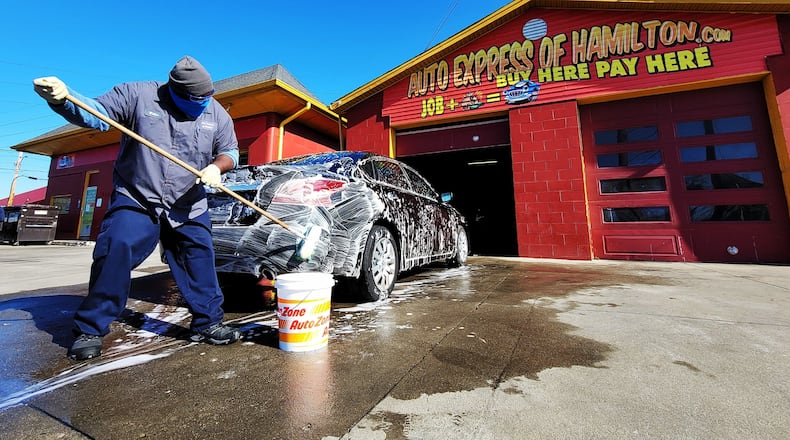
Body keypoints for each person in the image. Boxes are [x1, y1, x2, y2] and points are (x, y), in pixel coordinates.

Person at [33, 56, 241, 361]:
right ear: (174, 90)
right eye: (195, 99)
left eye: (206, 98)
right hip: (138, 196)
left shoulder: (217, 113)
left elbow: (230, 151)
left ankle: (208, 323)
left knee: (199, 258)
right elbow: (97, 114)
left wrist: (216, 167)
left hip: (188, 203)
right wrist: (66, 99)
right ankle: (90, 329)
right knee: (115, 248)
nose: (202, 104)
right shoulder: (138, 95)